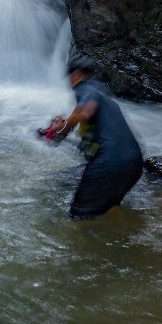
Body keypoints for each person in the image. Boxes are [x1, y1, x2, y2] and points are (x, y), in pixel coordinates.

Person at [48, 53, 143, 219]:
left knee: (79, 217)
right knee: (105, 211)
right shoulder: (103, 95)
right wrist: (61, 128)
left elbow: (84, 113)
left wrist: (64, 125)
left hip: (109, 163)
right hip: (134, 163)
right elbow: (80, 118)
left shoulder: (84, 89)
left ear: (75, 75)